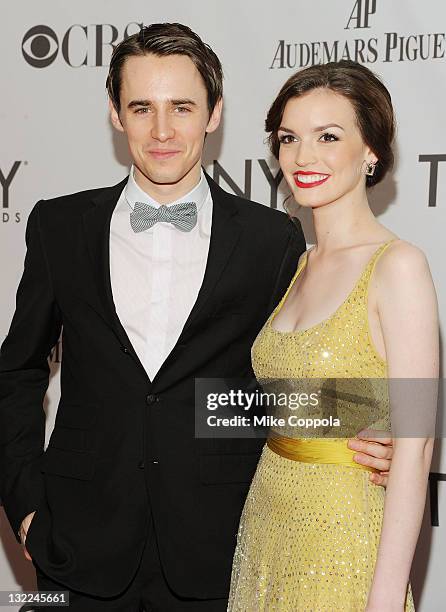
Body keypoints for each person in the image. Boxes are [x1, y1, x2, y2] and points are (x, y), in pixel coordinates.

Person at [0, 25, 394, 611]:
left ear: (213, 114)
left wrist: (388, 424)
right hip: (77, 545)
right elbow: (18, 370)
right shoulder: (60, 227)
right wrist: (27, 508)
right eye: (142, 107)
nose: (162, 132)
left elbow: (280, 380)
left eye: (182, 107)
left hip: (223, 546)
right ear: (115, 113)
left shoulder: (272, 240)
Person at [228, 61, 438, 611]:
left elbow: (415, 449)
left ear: (371, 150)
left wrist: (386, 597)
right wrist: (354, 410)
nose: (303, 156)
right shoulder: (300, 263)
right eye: (289, 138)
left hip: (343, 537)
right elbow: (280, 404)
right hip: (266, 526)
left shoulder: (398, 267)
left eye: (328, 136)